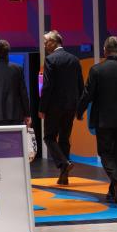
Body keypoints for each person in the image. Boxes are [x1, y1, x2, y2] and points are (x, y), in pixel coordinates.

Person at [78, 36, 117, 203]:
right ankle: (116, 192)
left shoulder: (97, 70)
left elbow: (88, 94)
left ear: (105, 50)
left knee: (104, 153)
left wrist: (79, 111)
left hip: (102, 119)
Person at [39, 30, 84, 185]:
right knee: (64, 138)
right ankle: (64, 174)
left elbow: (47, 87)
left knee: (49, 137)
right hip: (71, 105)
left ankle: (63, 163)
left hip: (54, 106)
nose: (44, 45)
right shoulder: (74, 59)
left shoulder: (50, 59)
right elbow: (80, 85)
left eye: (46, 42)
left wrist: (42, 107)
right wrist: (79, 108)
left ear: (54, 42)